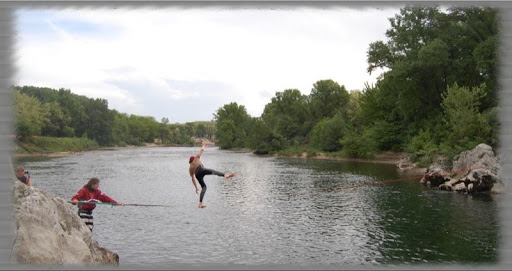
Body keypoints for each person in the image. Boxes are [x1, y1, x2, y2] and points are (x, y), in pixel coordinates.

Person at [189, 142, 235, 208]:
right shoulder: (196, 158)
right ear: (193, 159)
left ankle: (200, 203)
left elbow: (193, 178)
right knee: (213, 171)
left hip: (197, 175)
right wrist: (204, 145)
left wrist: (196, 188)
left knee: (204, 187)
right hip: (201, 170)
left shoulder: (190, 168)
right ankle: (225, 175)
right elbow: (202, 150)